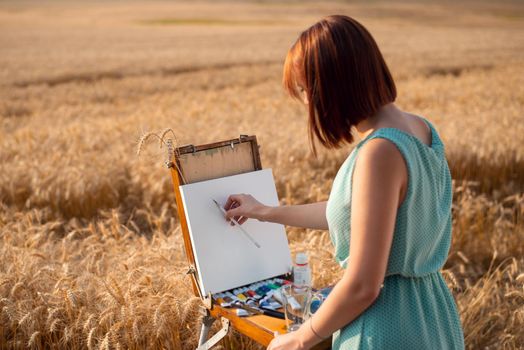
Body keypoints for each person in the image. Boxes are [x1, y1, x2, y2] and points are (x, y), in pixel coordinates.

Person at [223, 15, 465, 350]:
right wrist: (264, 211)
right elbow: (363, 215)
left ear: (333, 85)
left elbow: (364, 285)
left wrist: (300, 339)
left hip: (386, 326)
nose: (306, 102)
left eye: (306, 90)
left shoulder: (380, 152)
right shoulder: (421, 129)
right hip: (432, 316)